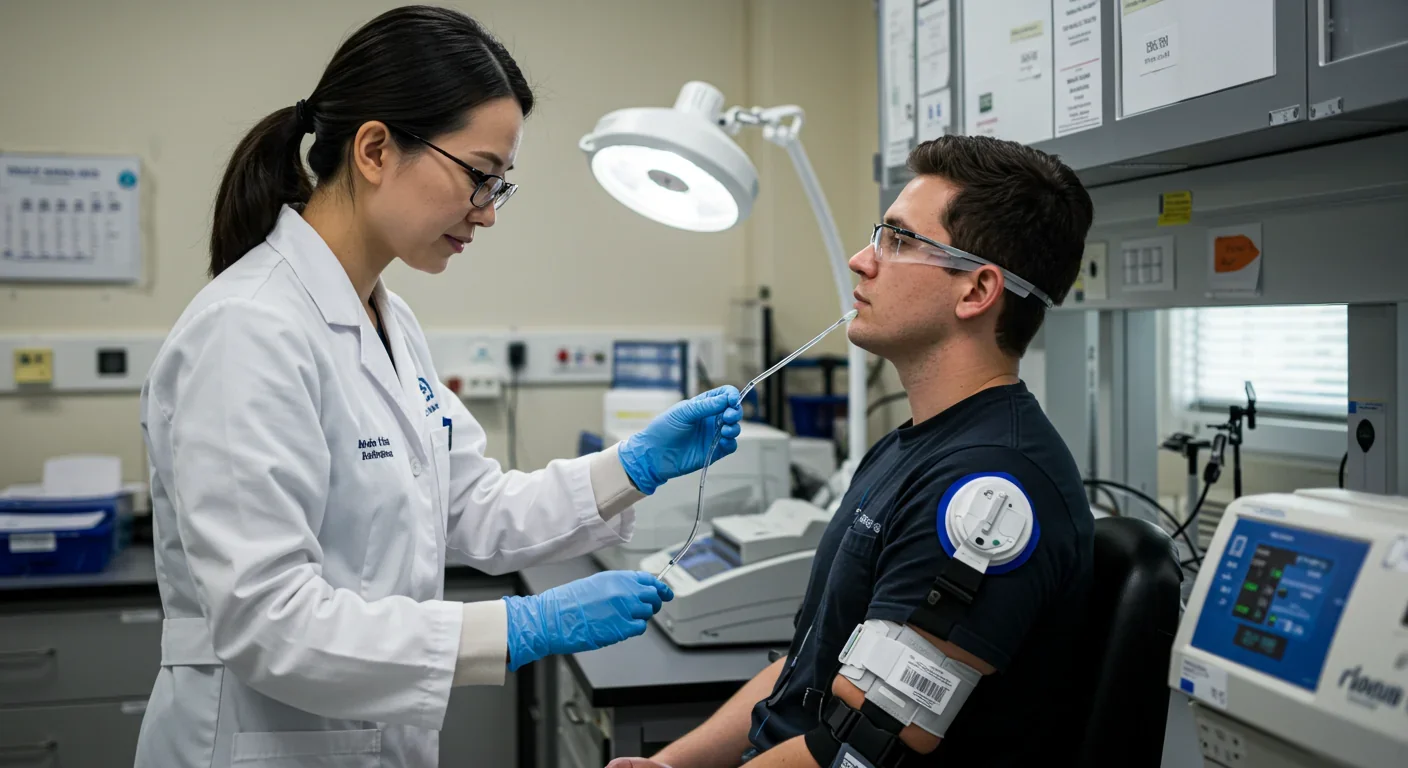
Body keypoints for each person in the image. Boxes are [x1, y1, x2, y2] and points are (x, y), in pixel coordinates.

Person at [133, 7, 741, 768]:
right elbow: (269, 621)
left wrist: (632, 468)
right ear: (376, 148)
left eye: (500, 186)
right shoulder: (247, 331)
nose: (487, 212)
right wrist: (519, 628)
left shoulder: (390, 323)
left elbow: (467, 506)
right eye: (479, 176)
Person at [607, 134, 1096, 768]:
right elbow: (807, 666)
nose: (862, 260)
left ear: (976, 291)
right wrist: (669, 765)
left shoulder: (988, 494)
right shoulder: (909, 448)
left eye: (897, 240)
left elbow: (865, 744)